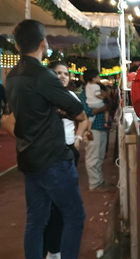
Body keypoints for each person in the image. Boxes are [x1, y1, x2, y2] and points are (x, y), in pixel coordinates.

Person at [6, 19, 86, 259]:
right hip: (53, 159)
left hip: (28, 158)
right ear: (43, 43)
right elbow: (77, 110)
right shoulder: (43, 76)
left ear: (18, 46)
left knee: (36, 221)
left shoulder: (11, 76)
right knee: (75, 215)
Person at [43, 61, 89, 259]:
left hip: (68, 151)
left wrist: (78, 137)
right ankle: (53, 250)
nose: (62, 76)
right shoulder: (43, 97)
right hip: (49, 154)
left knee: (64, 207)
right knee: (52, 208)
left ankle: (56, 249)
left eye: (65, 73)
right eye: (57, 73)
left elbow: (84, 118)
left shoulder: (70, 96)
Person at [79, 74, 112, 192]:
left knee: (100, 156)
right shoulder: (84, 95)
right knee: (93, 156)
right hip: (92, 129)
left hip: (102, 127)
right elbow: (88, 112)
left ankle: (99, 180)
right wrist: (102, 108)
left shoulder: (99, 92)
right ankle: (94, 184)